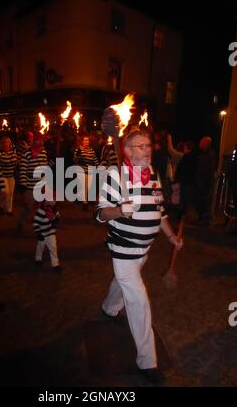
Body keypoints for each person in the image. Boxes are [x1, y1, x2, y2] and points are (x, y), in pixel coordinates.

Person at [96, 128, 183, 385]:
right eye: (141, 146)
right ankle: (148, 361)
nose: (148, 150)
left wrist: (170, 237)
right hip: (122, 248)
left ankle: (109, 308)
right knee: (138, 299)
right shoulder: (115, 176)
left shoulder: (153, 176)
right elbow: (100, 214)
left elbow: (161, 213)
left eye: (149, 146)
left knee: (121, 285)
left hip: (143, 251)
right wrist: (120, 210)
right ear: (128, 151)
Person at [18, 132, 48, 230]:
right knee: (28, 206)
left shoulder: (43, 152)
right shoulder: (27, 153)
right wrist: (23, 184)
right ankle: (21, 221)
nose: (42, 142)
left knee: (42, 206)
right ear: (35, 141)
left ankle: (40, 223)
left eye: (42, 140)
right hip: (30, 184)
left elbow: (45, 166)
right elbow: (23, 168)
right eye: (40, 140)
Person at [33, 200, 61, 272]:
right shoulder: (41, 211)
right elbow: (35, 223)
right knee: (40, 247)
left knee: (53, 247)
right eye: (52, 200)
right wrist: (38, 233)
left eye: (55, 200)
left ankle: (55, 264)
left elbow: (57, 217)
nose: (54, 202)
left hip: (51, 232)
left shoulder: (54, 210)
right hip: (42, 233)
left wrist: (56, 220)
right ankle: (38, 259)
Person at [194, 136, 216, 226]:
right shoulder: (205, 154)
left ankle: (204, 219)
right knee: (201, 201)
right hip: (202, 182)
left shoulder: (209, 155)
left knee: (203, 201)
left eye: (201, 142)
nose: (200, 144)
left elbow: (205, 170)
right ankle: (201, 218)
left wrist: (201, 182)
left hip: (204, 183)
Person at [73, 135, 98, 211]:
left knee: (88, 187)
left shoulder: (91, 150)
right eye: (85, 140)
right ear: (82, 141)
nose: (87, 142)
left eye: (88, 140)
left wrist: (98, 166)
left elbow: (95, 160)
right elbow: (75, 160)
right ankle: (85, 203)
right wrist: (78, 157)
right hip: (81, 170)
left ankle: (82, 199)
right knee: (84, 186)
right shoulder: (79, 150)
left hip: (89, 171)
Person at [0, 136, 18, 216]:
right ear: (2, 144)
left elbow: (15, 163)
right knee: (5, 192)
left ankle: (9, 210)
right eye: (5, 142)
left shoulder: (13, 152)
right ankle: (0, 204)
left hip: (11, 176)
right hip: (3, 176)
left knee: (10, 193)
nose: (7, 144)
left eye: (8, 142)